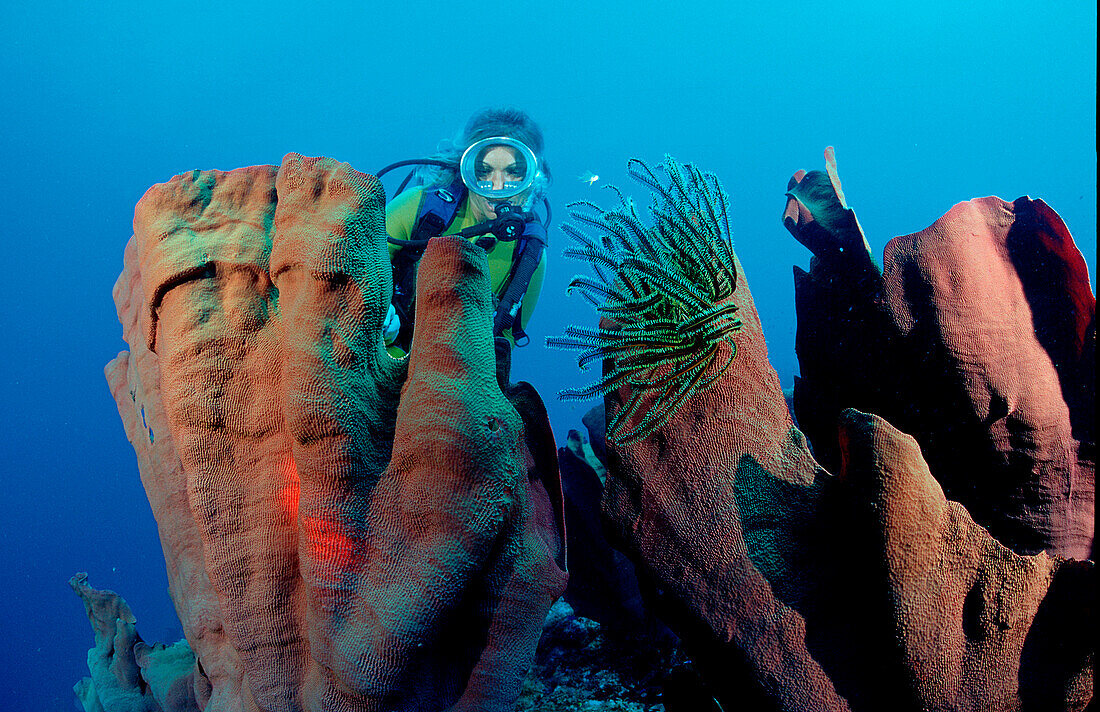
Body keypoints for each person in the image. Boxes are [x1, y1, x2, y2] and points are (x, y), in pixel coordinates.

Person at [382, 108, 551, 357]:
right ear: (466, 171)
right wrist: (378, 314)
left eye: (514, 172)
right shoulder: (418, 208)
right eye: (484, 171)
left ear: (532, 178)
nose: (497, 187)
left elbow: (505, 340)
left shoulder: (530, 255)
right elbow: (355, 268)